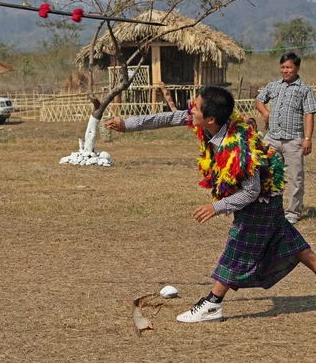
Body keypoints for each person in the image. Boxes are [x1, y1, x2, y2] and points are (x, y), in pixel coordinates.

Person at [104, 86, 316, 323]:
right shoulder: (209, 123)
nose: (190, 109)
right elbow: (170, 116)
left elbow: (252, 191)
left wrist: (216, 207)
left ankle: (213, 304)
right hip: (263, 197)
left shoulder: (238, 146)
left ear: (211, 118)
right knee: (296, 248)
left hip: (261, 200)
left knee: (237, 247)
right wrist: (128, 125)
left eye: (195, 106)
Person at [255, 52, 316, 224]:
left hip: (293, 140)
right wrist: (266, 113)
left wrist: (307, 138)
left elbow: (309, 114)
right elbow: (259, 100)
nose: (285, 70)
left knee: (295, 178)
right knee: (265, 173)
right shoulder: (274, 85)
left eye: (289, 67)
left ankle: (293, 213)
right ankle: (268, 208)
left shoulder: (304, 90)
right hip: (272, 139)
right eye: (283, 67)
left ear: (297, 68)